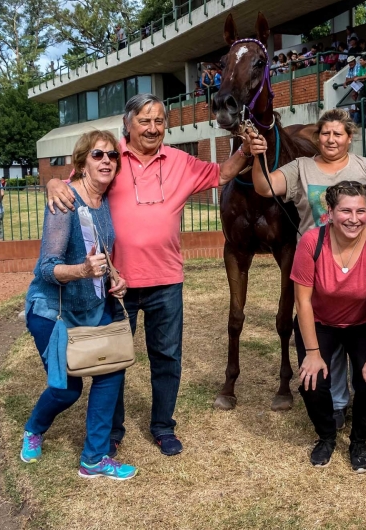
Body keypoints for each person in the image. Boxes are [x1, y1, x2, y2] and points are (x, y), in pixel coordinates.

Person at [45, 93, 258, 458]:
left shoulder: (179, 160)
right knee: (112, 360)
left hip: (166, 280)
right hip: (116, 284)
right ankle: (112, 433)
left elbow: (221, 173)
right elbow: (74, 185)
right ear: (128, 124)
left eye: (159, 121)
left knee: (167, 358)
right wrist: (53, 184)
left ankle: (163, 426)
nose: (152, 128)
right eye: (144, 120)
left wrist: (246, 151)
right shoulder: (110, 158)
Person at [250, 108, 366, 430]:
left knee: (359, 330)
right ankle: (338, 404)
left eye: (337, 134)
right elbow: (264, 187)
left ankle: (365, 394)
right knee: (326, 336)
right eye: (325, 133)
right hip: (317, 261)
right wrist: (257, 158)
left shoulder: (364, 167)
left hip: (358, 262)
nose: (330, 139)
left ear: (349, 138)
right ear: (318, 137)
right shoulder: (301, 168)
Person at [22, 130, 137, 480]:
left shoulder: (104, 204)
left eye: (112, 156)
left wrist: (112, 278)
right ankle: (34, 428)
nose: (106, 161)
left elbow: (101, 253)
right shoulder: (65, 201)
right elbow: (46, 267)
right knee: (66, 389)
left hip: (94, 308)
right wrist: (83, 270)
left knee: (111, 370)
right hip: (53, 313)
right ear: (82, 163)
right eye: (98, 155)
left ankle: (94, 458)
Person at [291, 181, 366, 471]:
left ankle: (359, 441)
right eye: (345, 210)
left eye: (361, 211)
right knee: (313, 381)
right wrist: (312, 352)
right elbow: (303, 301)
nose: (353, 218)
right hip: (320, 321)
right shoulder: (312, 241)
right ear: (330, 211)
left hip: (362, 322)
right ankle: (325, 437)